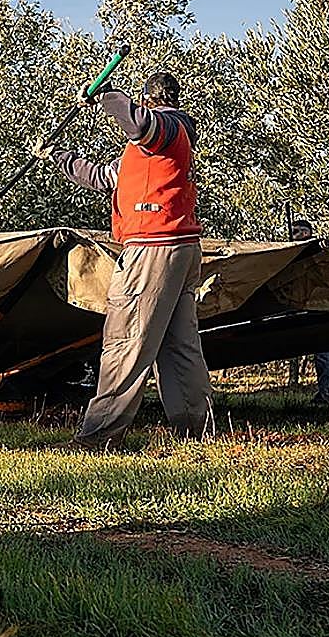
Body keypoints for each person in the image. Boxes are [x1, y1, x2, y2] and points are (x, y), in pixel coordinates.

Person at [33, 72, 213, 449]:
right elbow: (104, 177)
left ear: (149, 100)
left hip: (153, 249)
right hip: (181, 249)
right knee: (179, 344)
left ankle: (99, 435)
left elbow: (138, 122)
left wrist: (105, 95)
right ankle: (196, 429)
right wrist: (58, 157)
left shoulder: (166, 128)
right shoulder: (153, 153)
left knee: (125, 340)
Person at [289, 218, 329, 404]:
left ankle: (325, 396)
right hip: (327, 306)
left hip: (322, 308)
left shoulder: (312, 253)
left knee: (325, 353)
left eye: (296, 231)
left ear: (305, 233)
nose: (292, 236)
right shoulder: (317, 252)